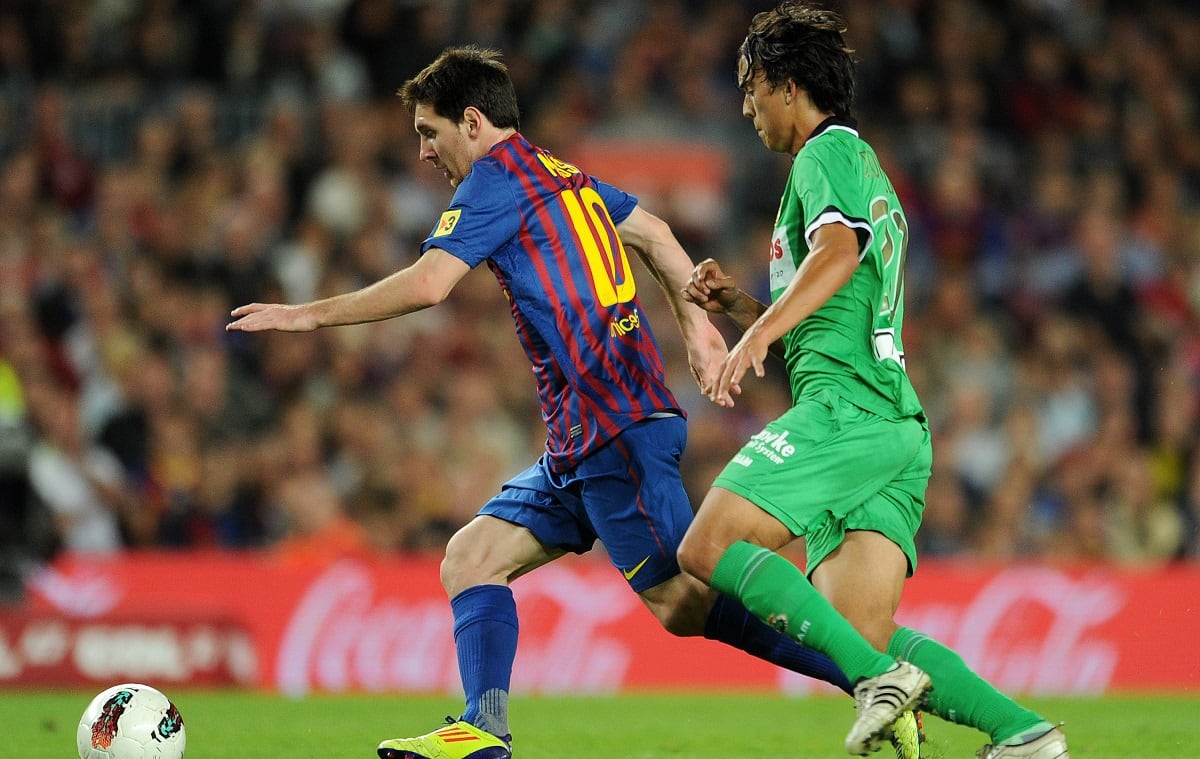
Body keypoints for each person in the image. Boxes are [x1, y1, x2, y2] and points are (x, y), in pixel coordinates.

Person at [227, 46, 923, 759]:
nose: (427, 154)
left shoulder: (493, 182)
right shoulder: (558, 173)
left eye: (430, 134)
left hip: (615, 427)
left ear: (472, 122)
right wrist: (696, 330)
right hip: (580, 440)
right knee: (471, 558)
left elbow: (430, 285)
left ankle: (874, 674)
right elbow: (653, 232)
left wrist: (306, 316)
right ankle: (482, 729)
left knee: (684, 603)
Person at [676, 4, 1069, 758]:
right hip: (893, 427)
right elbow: (840, 302)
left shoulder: (824, 155)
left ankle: (877, 684)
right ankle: (1024, 731)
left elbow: (838, 253)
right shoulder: (866, 171)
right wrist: (746, 306)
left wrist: (756, 333)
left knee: (708, 545)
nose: (747, 106)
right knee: (863, 633)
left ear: (788, 85)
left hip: (848, 411)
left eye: (752, 87)